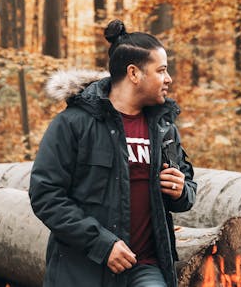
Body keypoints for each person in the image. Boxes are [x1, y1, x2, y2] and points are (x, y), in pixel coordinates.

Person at [29, 19, 197, 287]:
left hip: (146, 268)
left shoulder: (164, 127)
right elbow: (46, 195)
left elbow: (187, 190)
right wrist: (102, 244)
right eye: (161, 70)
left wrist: (181, 191)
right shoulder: (73, 124)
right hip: (84, 271)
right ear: (134, 73)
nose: (169, 79)